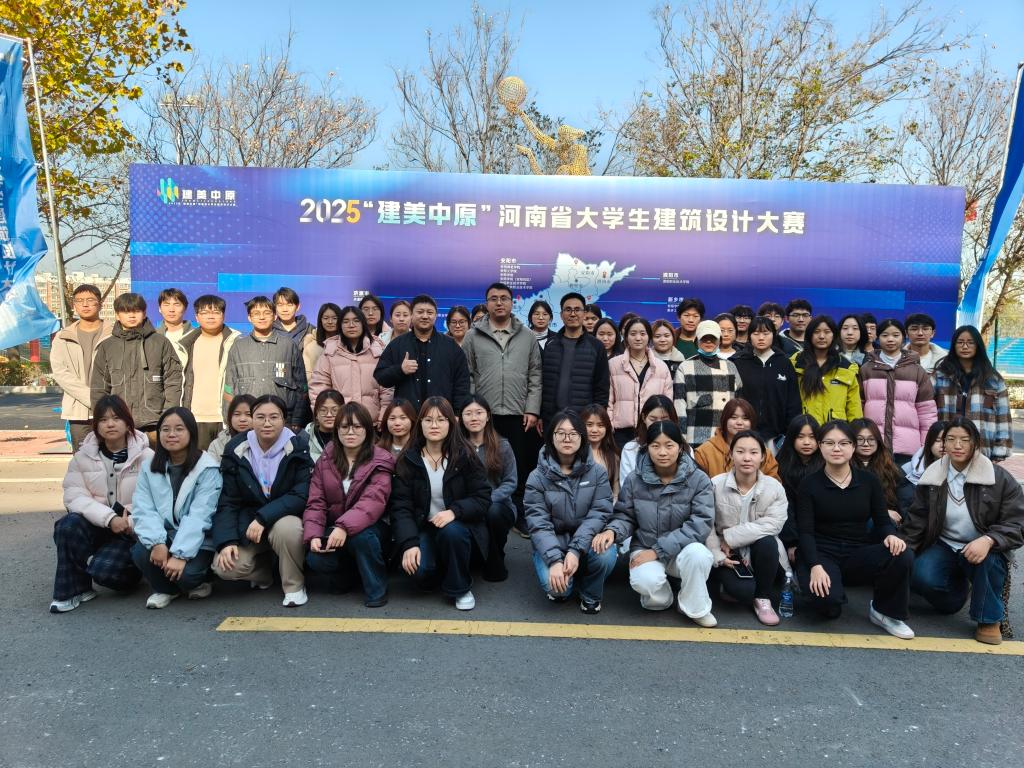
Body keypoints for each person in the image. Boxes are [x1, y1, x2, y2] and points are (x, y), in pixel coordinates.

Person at [902, 417, 1024, 645]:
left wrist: (989, 539)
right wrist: (904, 550)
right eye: (951, 439)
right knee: (923, 577)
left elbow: (1017, 522)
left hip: (981, 546)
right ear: (943, 443)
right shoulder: (933, 474)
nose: (957, 445)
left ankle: (988, 619)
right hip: (944, 543)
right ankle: (961, 590)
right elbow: (917, 519)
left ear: (975, 443)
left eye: (965, 440)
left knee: (990, 562)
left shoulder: (998, 478)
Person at [795, 420, 915, 638]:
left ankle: (884, 612)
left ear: (853, 447)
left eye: (843, 443)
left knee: (901, 553)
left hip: (856, 552)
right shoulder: (809, 484)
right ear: (820, 447)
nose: (836, 448)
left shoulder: (869, 481)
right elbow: (805, 532)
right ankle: (810, 581)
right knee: (828, 606)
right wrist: (814, 566)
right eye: (829, 443)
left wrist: (891, 535)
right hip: (821, 553)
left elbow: (882, 521)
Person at [594, 420, 717, 626]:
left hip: (683, 550)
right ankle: (663, 598)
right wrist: (612, 531)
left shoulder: (698, 479)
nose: (662, 452)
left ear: (680, 447)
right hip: (645, 546)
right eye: (655, 446)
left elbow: (700, 523)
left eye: (669, 445)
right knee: (647, 586)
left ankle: (694, 607)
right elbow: (625, 515)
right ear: (647, 448)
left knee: (700, 555)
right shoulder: (635, 479)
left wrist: (658, 551)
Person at [50, 395, 153, 613]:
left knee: (106, 572)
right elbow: (74, 495)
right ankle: (74, 590)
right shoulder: (82, 457)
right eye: (103, 420)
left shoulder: (146, 457)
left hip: (131, 532)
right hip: (98, 524)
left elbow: (156, 501)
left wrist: (129, 522)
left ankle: (131, 571)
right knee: (67, 525)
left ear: (128, 423)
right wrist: (109, 518)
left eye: (116, 418)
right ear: (96, 425)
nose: (110, 424)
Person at [390, 396, 491, 610]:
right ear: (420, 424)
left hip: (459, 526)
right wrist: (409, 543)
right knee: (420, 573)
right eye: (428, 420)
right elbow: (401, 506)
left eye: (441, 420)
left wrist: (454, 512)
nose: (434, 425)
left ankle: (460, 588)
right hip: (423, 527)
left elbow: (482, 498)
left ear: (451, 423)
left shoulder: (465, 455)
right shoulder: (409, 459)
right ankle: (441, 567)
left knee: (451, 532)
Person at [212, 394, 314, 607]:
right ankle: (264, 572)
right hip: (248, 522)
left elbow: (301, 493)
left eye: (274, 417)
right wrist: (227, 541)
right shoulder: (236, 449)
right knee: (224, 567)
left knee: (289, 529)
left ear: (283, 419)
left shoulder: (297, 446)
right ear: (252, 419)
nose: (267, 423)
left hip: (283, 518)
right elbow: (228, 501)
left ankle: (294, 587)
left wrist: (263, 518)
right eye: (260, 417)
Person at [462, 282, 543, 522]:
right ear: (486, 303)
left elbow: (535, 374)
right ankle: (479, 506)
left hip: (519, 413)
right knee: (480, 462)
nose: (499, 303)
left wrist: (532, 409)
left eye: (504, 298)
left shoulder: (527, 335)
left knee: (518, 465)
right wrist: (472, 408)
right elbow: (466, 373)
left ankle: (516, 513)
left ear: (512, 302)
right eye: (494, 298)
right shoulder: (472, 335)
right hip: (483, 414)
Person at [524, 410, 617, 613]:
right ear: (551, 437)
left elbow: (600, 513)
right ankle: (565, 581)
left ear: (582, 438)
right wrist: (555, 560)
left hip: (587, 540)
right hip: (553, 541)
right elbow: (538, 524)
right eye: (561, 433)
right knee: (558, 590)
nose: (567, 438)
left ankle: (590, 593)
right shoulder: (536, 477)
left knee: (605, 556)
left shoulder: (597, 473)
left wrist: (575, 550)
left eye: (573, 433)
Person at [130, 407, 223, 608]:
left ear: (191, 432)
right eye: (165, 429)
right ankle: (167, 590)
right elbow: (143, 508)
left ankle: (201, 580)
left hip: (199, 540)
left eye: (179, 429)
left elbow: (200, 515)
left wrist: (180, 555)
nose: (171, 434)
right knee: (140, 551)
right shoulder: (149, 467)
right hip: (166, 534)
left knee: (188, 575)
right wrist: (157, 543)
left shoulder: (207, 468)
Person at [304, 402, 395, 607]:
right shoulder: (326, 459)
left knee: (362, 538)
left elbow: (372, 501)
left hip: (374, 527)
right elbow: (316, 501)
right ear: (337, 430)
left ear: (367, 429)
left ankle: (377, 589)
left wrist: (343, 527)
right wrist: (314, 534)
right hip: (337, 527)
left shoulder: (380, 459)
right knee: (315, 558)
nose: (350, 432)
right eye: (344, 427)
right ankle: (349, 577)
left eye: (357, 426)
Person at [706, 430, 790, 625]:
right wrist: (717, 555)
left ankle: (763, 598)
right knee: (743, 592)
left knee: (768, 542)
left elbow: (774, 523)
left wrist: (730, 538)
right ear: (731, 454)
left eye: (753, 452)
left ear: (763, 456)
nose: (747, 458)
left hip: (762, 553)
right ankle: (730, 584)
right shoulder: (715, 485)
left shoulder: (774, 487)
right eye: (740, 451)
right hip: (727, 554)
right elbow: (706, 524)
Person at [90, 292, 183, 445]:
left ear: (144, 313)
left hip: (154, 425)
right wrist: (104, 420)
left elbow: (173, 381)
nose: (132, 315)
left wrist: (167, 417)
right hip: (118, 425)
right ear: (117, 315)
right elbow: (99, 388)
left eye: (136, 311)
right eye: (126, 311)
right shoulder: (107, 346)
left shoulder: (160, 343)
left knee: (155, 461)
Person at [224, 295, 311, 432]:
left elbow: (302, 387)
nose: (262, 317)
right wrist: (229, 421)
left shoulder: (288, 346)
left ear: (275, 316)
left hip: (283, 422)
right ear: (249, 318)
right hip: (248, 423)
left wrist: (297, 419)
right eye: (256, 313)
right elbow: (229, 388)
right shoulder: (238, 347)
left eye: (267, 313)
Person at [858, 318, 936, 465]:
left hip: (907, 449)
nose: (890, 339)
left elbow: (927, 413)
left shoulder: (917, 371)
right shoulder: (866, 369)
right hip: (872, 445)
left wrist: (925, 446)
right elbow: (858, 407)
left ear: (903, 337)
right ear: (877, 337)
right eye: (885, 335)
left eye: (895, 335)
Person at [374, 295, 470, 412]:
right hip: (408, 416)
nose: (425, 316)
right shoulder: (397, 344)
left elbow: (462, 383)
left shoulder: (450, 346)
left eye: (430, 312)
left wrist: (457, 413)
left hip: (441, 416)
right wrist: (400, 370)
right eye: (420, 312)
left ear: (435, 316)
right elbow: (380, 376)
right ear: (412, 315)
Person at [932, 325, 1012, 462]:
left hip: (982, 449)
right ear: (954, 346)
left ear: (978, 346)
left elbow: (1003, 417)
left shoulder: (993, 380)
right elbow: (927, 412)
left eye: (970, 342)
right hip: (946, 451)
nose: (965, 346)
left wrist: (1000, 451)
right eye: (960, 342)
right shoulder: (940, 376)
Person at [460, 396, 518, 581]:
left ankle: (496, 558)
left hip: (498, 505)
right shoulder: (457, 447)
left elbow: (511, 482)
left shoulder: (502, 445)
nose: (474, 418)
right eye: (468, 413)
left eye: (479, 413)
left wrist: (486, 500)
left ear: (488, 416)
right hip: (468, 505)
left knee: (494, 512)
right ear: (461, 418)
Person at [51, 284, 113, 450]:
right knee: (82, 460)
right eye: (79, 301)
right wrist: (92, 398)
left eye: (90, 300)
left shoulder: (115, 333)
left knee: (114, 460)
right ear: (74, 305)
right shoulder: (63, 337)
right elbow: (60, 372)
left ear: (100, 303)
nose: (85, 305)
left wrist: (106, 400)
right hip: (78, 410)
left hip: (111, 409)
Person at [310, 305, 392, 426]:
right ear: (340, 325)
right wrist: (323, 417)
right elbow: (318, 389)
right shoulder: (330, 353)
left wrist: (384, 416)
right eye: (346, 321)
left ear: (363, 324)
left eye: (356, 321)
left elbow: (387, 389)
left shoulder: (377, 351)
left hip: (372, 423)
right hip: (340, 423)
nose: (351, 325)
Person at [179, 294, 241, 450]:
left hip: (226, 417)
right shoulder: (185, 343)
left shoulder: (236, 341)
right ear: (196, 317)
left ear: (223, 315)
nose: (211, 316)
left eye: (216, 312)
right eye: (205, 312)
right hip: (195, 416)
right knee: (199, 462)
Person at [539, 292, 610, 427]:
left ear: (584, 314)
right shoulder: (550, 344)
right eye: (568, 310)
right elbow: (543, 383)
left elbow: (602, 388)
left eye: (577, 310)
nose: (573, 314)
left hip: (583, 420)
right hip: (552, 419)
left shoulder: (596, 346)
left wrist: (596, 418)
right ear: (561, 315)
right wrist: (541, 415)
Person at [732, 316, 801, 449]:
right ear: (749, 336)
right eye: (756, 333)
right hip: (743, 433)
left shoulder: (784, 363)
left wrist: (789, 433)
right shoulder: (739, 362)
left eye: (766, 333)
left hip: (777, 436)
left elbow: (793, 402)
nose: (761, 338)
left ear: (773, 335)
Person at [673, 320, 742, 448]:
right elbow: (679, 406)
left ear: (719, 341)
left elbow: (739, 404)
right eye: (704, 338)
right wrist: (681, 439)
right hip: (695, 438)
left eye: (713, 338)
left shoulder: (731, 366)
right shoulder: (685, 367)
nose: (709, 341)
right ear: (696, 341)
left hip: (727, 438)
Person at [607, 316, 674, 448]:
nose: (638, 338)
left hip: (653, 430)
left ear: (649, 336)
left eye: (643, 334)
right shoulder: (613, 364)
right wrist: (610, 425)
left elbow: (668, 402)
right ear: (625, 337)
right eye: (633, 334)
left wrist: (663, 426)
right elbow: (608, 400)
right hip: (620, 432)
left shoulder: (661, 367)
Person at [791, 315, 862, 424]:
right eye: (816, 332)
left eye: (827, 332)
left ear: (834, 335)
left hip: (835, 431)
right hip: (804, 430)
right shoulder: (795, 363)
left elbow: (854, 408)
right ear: (809, 335)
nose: (822, 336)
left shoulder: (846, 367)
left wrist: (857, 430)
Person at [694, 398, 780, 479]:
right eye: (734, 417)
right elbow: (699, 485)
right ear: (724, 420)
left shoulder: (764, 453)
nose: (739, 422)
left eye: (745, 418)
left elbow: (774, 484)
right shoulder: (704, 452)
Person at [775, 414, 823, 562]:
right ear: (791, 438)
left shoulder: (827, 464)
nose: (807, 442)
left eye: (812, 437)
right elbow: (785, 507)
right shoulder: (781, 465)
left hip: (823, 533)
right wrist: (792, 541)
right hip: (791, 533)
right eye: (800, 437)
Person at [851, 418, 915, 525]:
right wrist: (882, 513)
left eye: (871, 439)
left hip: (889, 526)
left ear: (878, 441)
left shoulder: (890, 467)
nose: (866, 444)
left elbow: (906, 500)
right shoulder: (843, 467)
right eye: (860, 439)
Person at [619, 394, 680, 481]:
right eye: (653, 419)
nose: (658, 424)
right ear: (644, 418)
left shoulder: (686, 449)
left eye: (664, 419)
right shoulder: (630, 449)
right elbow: (627, 484)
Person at [272, 287, 317, 369]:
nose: (285, 309)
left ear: (298, 306)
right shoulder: (269, 331)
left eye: (289, 305)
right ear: (275, 307)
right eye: (280, 305)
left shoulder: (311, 330)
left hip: (304, 375)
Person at [581, 404, 619, 498]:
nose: (594, 430)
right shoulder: (574, 453)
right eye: (589, 425)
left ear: (607, 428)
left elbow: (615, 489)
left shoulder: (613, 456)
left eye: (600, 425)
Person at [208, 393, 255, 464]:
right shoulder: (216, 445)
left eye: (248, 414)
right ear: (230, 417)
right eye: (237, 414)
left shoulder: (265, 442)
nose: (242, 419)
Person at [155, 287, 193, 366]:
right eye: (166, 304)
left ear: (185, 308)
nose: (171, 309)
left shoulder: (195, 335)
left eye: (176, 304)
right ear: (159, 309)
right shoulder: (152, 336)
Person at [304, 389, 345, 463]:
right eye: (323, 410)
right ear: (316, 413)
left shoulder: (350, 437)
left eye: (335, 410)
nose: (329, 415)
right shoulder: (305, 437)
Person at [306, 302, 342, 383]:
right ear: (320, 320)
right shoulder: (311, 347)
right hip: (318, 389)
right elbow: (307, 376)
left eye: (334, 318)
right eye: (326, 318)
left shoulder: (347, 345)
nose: (330, 322)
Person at [902, 420, 946, 485]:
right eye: (938, 440)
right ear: (929, 442)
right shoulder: (907, 470)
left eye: (947, 440)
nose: (943, 445)